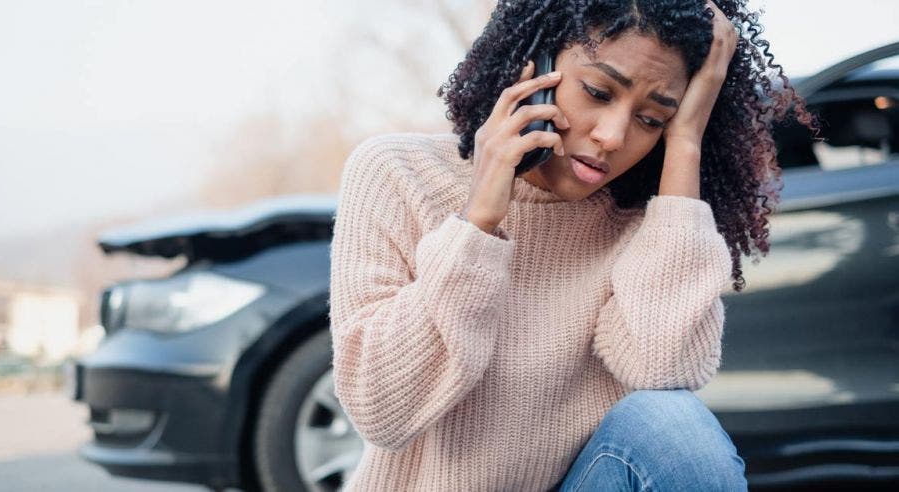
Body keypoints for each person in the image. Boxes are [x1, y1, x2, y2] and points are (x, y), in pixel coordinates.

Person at [328, 0, 816, 490]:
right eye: (597, 91)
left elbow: (663, 369)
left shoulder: (647, 217)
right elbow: (383, 408)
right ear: (534, 63)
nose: (611, 136)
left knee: (672, 425)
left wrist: (686, 140)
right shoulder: (396, 172)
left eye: (651, 120)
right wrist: (477, 222)